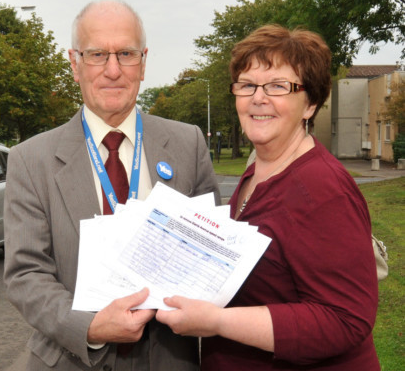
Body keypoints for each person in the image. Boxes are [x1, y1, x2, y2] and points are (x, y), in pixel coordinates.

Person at [3, 0, 220, 370]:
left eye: (126, 53)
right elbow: (26, 275)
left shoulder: (189, 144)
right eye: (97, 54)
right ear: (75, 63)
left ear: (144, 62)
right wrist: (90, 326)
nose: (113, 70)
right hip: (71, 358)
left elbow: (210, 256)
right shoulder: (30, 159)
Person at [156, 25, 380, 370]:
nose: (258, 98)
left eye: (278, 86)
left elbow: (345, 320)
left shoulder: (323, 189)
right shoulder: (258, 170)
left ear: (311, 104)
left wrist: (217, 322)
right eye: (247, 85)